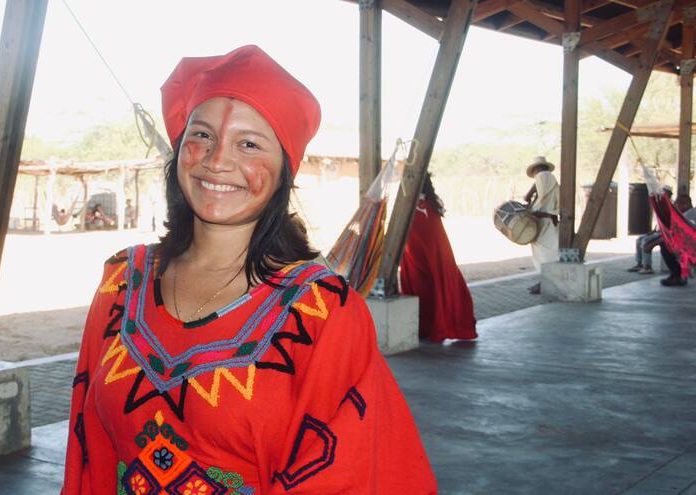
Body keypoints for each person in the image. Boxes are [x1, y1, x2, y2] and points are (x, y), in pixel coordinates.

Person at [61, 45, 436, 494]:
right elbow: (89, 450)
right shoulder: (123, 281)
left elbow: (353, 472)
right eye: (202, 135)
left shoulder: (322, 313)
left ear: (284, 171)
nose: (217, 160)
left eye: (249, 144)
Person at [400, 173, 477, 342]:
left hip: (420, 258)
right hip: (438, 257)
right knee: (438, 290)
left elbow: (416, 237)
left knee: (425, 292)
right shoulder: (431, 203)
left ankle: (429, 327)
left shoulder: (413, 205)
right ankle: (438, 326)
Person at [523, 156, 559, 295]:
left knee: (547, 255)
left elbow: (538, 189)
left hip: (545, 223)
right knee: (542, 254)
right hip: (544, 223)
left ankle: (547, 283)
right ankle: (544, 281)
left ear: (537, 169)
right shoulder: (548, 180)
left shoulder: (544, 176)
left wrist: (529, 194)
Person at [660, 194, 696, 287]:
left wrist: (652, 244)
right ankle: (676, 274)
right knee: (667, 244)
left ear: (686, 204)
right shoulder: (690, 212)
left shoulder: (690, 214)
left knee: (667, 246)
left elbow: (677, 231)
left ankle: (678, 276)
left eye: (677, 203)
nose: (675, 205)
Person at [627, 186, 672, 274]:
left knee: (646, 241)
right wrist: (653, 231)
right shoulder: (660, 204)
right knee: (639, 239)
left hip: (664, 233)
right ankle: (639, 263)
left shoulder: (670, 206)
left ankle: (647, 266)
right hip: (657, 231)